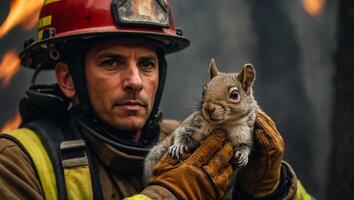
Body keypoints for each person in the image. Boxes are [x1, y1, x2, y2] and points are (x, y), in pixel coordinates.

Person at [0, 0, 313, 199]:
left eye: (146, 64)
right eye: (112, 62)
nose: (135, 82)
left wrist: (274, 190)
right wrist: (167, 196)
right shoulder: (15, 163)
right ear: (69, 80)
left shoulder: (202, 144)